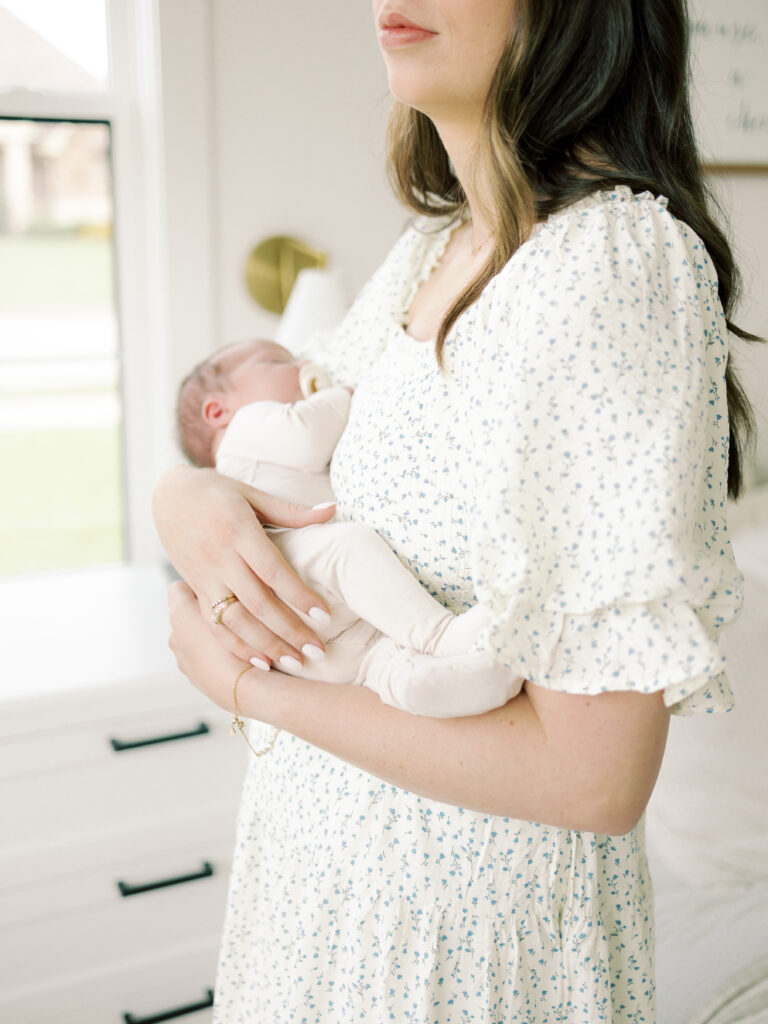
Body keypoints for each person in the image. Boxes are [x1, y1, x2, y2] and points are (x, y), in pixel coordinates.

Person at [152, 0, 761, 1020]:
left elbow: (593, 780)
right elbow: (279, 444)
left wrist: (257, 693)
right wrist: (188, 492)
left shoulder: (609, 267)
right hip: (317, 894)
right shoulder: (431, 247)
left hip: (466, 943)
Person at [175, 337, 523, 716]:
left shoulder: (253, 444)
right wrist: (338, 395)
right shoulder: (244, 428)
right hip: (290, 570)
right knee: (345, 549)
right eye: (276, 360)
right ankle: (440, 634)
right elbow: (306, 436)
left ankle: (453, 682)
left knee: (378, 658)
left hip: (306, 630)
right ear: (216, 411)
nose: (304, 361)